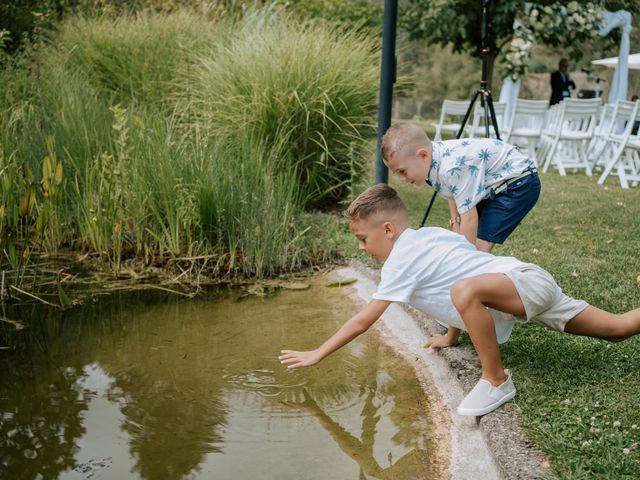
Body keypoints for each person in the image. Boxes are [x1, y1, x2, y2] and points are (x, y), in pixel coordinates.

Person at [279, 184, 640, 416]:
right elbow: (457, 267)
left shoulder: (400, 260)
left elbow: (363, 320)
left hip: (518, 283)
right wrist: (450, 336)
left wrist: (317, 353)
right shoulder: (430, 236)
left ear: (387, 230)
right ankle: (494, 376)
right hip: (525, 283)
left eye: (362, 238)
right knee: (618, 328)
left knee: (464, 290)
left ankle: (496, 380)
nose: (360, 247)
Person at [381, 123, 540, 254]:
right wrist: (456, 226)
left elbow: (470, 218)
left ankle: (474, 283)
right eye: (397, 174)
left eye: (402, 171)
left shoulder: (451, 168)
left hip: (518, 183)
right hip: (493, 184)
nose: (401, 179)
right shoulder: (431, 160)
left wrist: (463, 259)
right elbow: (453, 193)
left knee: (478, 248)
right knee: (462, 242)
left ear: (423, 155)